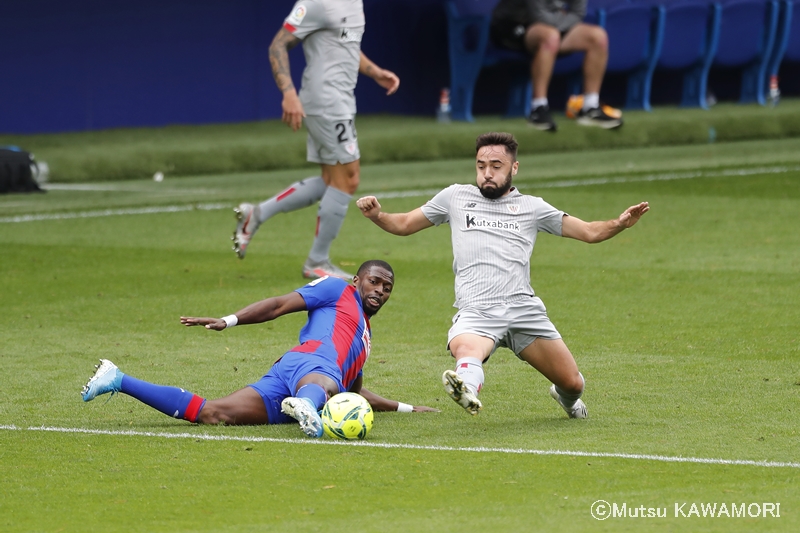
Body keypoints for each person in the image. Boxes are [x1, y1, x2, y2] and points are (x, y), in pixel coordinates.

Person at [356, 132, 648, 419]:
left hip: (523, 310)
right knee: (467, 347)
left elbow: (588, 232)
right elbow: (405, 223)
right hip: (478, 310)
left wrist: (619, 223)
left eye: (496, 166)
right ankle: (466, 389)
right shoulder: (455, 197)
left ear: (514, 168)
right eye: (481, 166)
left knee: (573, 383)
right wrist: (377, 216)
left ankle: (567, 401)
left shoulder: (532, 207)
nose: (487, 173)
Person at [81, 260, 437, 438]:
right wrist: (230, 320)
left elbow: (353, 393)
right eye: (374, 281)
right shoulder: (337, 290)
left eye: (387, 287)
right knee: (324, 379)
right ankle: (306, 404)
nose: (379, 290)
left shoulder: (363, 340)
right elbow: (279, 305)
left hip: (297, 378)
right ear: (357, 280)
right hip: (308, 366)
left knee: (214, 414)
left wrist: (406, 408)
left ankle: (117, 378)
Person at [231, 0, 400, 281]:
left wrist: (375, 72)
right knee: (348, 178)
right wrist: (289, 93)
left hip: (340, 99)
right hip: (325, 101)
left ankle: (256, 214)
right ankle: (317, 262)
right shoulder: (317, 3)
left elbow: (344, 46)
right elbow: (277, 45)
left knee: (331, 179)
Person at [490, 0, 622, 131]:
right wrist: (561, 18)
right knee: (551, 37)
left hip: (552, 25)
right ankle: (538, 109)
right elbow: (538, 16)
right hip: (511, 25)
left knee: (598, 37)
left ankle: (590, 108)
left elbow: (578, 13)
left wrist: (560, 22)